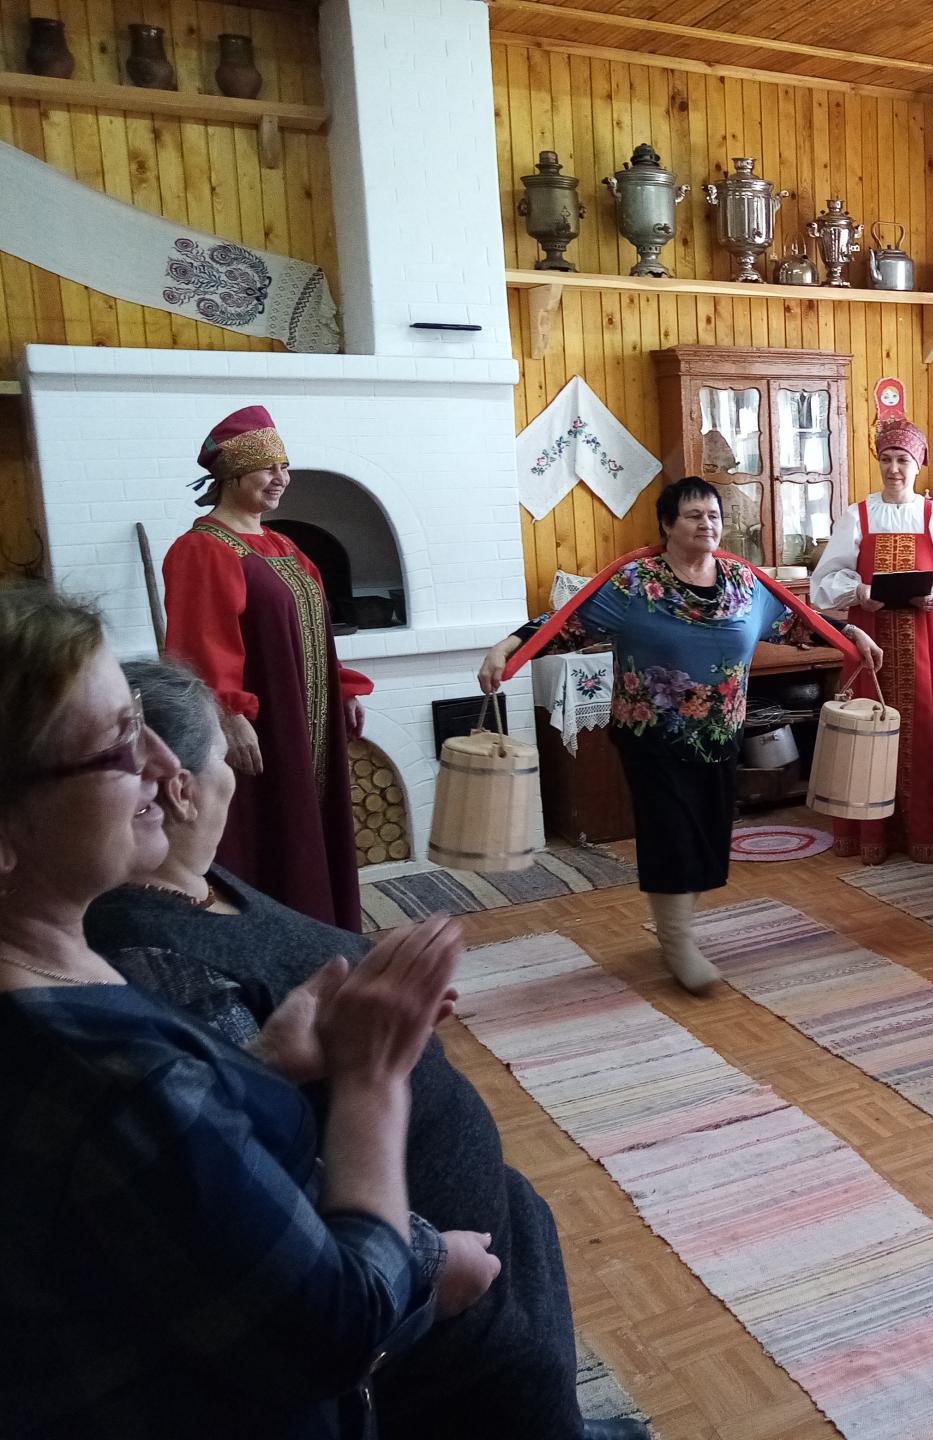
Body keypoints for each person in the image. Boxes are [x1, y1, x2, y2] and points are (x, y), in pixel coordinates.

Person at [83, 657, 648, 1440]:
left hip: (471, 1209)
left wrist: (361, 1027)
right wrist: (425, 1260)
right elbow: (256, 1183)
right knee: (510, 1375)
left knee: (533, 1309)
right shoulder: (153, 956)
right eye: (223, 750)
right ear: (178, 789)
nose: (237, 769)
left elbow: (244, 1081)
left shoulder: (199, 881)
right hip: (426, 1268)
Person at [0, 582, 470, 1437]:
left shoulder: (64, 987)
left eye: (143, 721)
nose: (163, 763)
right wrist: (373, 1082)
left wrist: (266, 1066)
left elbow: (154, 1202)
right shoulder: (109, 1073)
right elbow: (337, 1328)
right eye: (118, 743)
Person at [478, 477, 881, 994]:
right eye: (693, 515)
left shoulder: (743, 582)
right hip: (652, 736)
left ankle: (677, 927)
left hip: (719, 735)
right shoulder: (635, 585)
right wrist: (506, 648)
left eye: (713, 515)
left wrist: (850, 632)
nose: (706, 524)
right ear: (667, 525)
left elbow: (797, 622)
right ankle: (677, 941)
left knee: (707, 838)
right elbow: (565, 623)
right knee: (670, 834)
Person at [162, 406, 371, 930]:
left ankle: (322, 938)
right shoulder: (203, 550)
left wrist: (343, 688)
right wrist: (229, 715)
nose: (281, 479)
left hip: (309, 721)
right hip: (261, 728)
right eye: (267, 468)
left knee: (314, 827)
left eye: (284, 467)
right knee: (270, 832)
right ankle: (277, 945)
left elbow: (315, 630)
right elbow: (197, 644)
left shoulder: (284, 546)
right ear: (232, 474)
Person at [811, 417, 933, 863]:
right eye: (886, 459)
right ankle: (872, 835)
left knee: (926, 730)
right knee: (868, 732)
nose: (893, 469)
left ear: (918, 464)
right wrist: (859, 591)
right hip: (870, 641)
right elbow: (823, 582)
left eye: (902, 460)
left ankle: (929, 830)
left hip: (927, 641)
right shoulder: (857, 516)